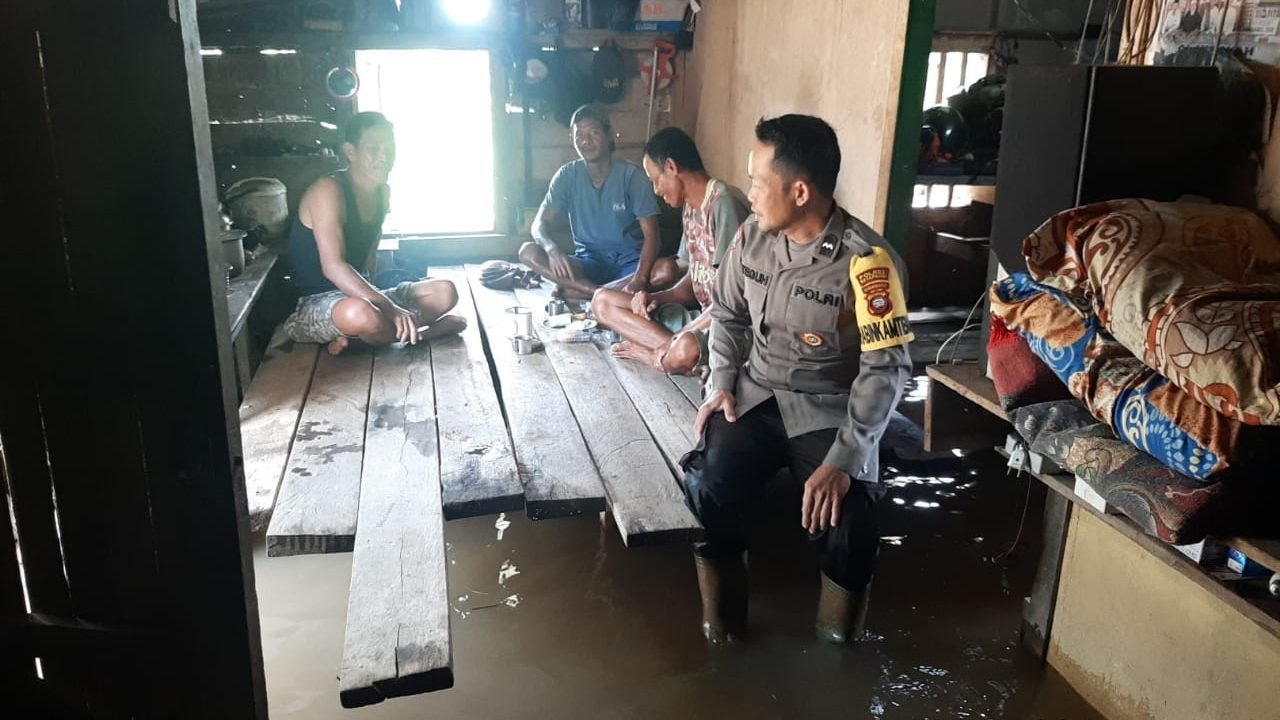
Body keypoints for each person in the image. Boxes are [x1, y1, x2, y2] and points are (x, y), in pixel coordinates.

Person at [681, 114, 914, 645]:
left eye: (759, 182)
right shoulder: (751, 238)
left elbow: (887, 368)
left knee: (850, 522)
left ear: (801, 190)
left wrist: (844, 460)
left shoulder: (869, 263)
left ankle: (836, 647)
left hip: (832, 409)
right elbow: (729, 314)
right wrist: (720, 382)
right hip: (756, 395)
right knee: (707, 484)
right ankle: (723, 628)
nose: (750, 194)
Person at [283, 111, 464, 355]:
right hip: (317, 304)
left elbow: (369, 255)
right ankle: (424, 334)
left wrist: (382, 301)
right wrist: (389, 309)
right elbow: (333, 267)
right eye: (374, 148)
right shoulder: (328, 190)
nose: (384, 156)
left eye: (390, 148)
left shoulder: (382, 193)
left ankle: (363, 338)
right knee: (362, 314)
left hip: (364, 296)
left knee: (445, 291)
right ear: (350, 152)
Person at [591, 128, 749, 376]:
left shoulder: (724, 204)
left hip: (725, 327)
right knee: (602, 301)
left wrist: (675, 340)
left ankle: (666, 355)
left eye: (655, 179)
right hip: (699, 319)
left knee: (685, 348)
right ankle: (673, 353)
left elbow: (730, 302)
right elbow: (694, 280)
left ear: (671, 167)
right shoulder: (689, 208)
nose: (655, 190)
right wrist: (657, 298)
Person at [519, 105, 680, 299]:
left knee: (667, 270)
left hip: (630, 266)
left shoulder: (631, 176)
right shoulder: (567, 176)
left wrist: (639, 278)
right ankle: (597, 293)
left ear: (609, 135)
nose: (586, 140)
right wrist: (552, 250)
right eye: (579, 135)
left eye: (594, 132)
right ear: (572, 139)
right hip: (589, 264)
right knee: (528, 252)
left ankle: (578, 290)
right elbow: (538, 225)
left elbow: (652, 237)